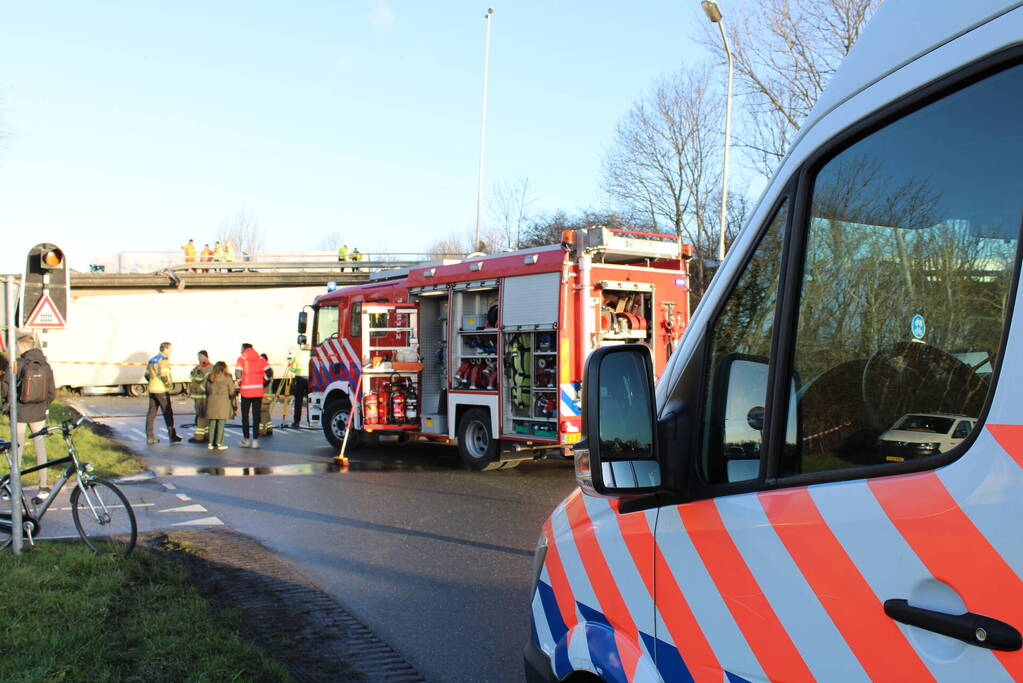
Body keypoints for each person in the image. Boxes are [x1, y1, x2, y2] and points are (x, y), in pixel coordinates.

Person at [9, 334, 56, 499]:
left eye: (18, 347)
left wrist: (9, 406)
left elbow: (7, 388)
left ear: (22, 347)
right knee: (40, 449)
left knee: (17, 450)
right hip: (39, 413)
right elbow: (51, 392)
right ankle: (43, 486)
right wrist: (44, 406)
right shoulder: (45, 365)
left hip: (20, 412)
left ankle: (14, 487)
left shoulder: (18, 364)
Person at [145, 341, 182, 444]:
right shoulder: (163, 360)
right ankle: (172, 435)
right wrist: (168, 386)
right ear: (165, 349)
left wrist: (152, 382)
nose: (171, 351)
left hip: (152, 389)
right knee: (167, 412)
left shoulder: (152, 359)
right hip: (161, 390)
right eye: (170, 349)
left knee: (151, 413)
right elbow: (164, 375)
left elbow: (146, 375)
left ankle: (150, 436)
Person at [234, 343, 268, 448]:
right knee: (256, 416)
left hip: (246, 391)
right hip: (258, 391)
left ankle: (246, 439)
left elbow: (238, 374)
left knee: (245, 416)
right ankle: (255, 441)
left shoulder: (241, 359)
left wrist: (240, 382)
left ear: (244, 349)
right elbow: (269, 372)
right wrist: (263, 382)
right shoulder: (261, 359)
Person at [204, 361, 236, 451]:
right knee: (221, 423)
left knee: (212, 423)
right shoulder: (227, 377)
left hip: (211, 401)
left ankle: (210, 443)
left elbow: (206, 389)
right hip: (223, 402)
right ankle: (219, 443)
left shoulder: (210, 377)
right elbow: (232, 391)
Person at [188, 350, 213, 443]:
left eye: (200, 356)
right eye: (198, 357)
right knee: (202, 416)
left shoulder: (210, 368)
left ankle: (199, 436)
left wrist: (200, 389)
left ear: (206, 357)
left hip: (203, 396)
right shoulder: (198, 367)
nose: (199, 358)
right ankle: (206, 435)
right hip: (197, 396)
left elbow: (206, 382)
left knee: (201, 416)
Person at [288, 346, 310, 427]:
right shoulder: (310, 354)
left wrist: (290, 366)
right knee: (310, 401)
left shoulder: (297, 355)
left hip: (299, 377)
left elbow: (292, 368)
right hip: (309, 378)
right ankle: (310, 421)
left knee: (298, 401)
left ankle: (296, 422)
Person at [258, 353, 274, 437]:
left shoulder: (265, 371)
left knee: (262, 413)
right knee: (266, 413)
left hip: (264, 395)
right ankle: (269, 428)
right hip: (268, 395)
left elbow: (263, 383)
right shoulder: (269, 370)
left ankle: (262, 430)